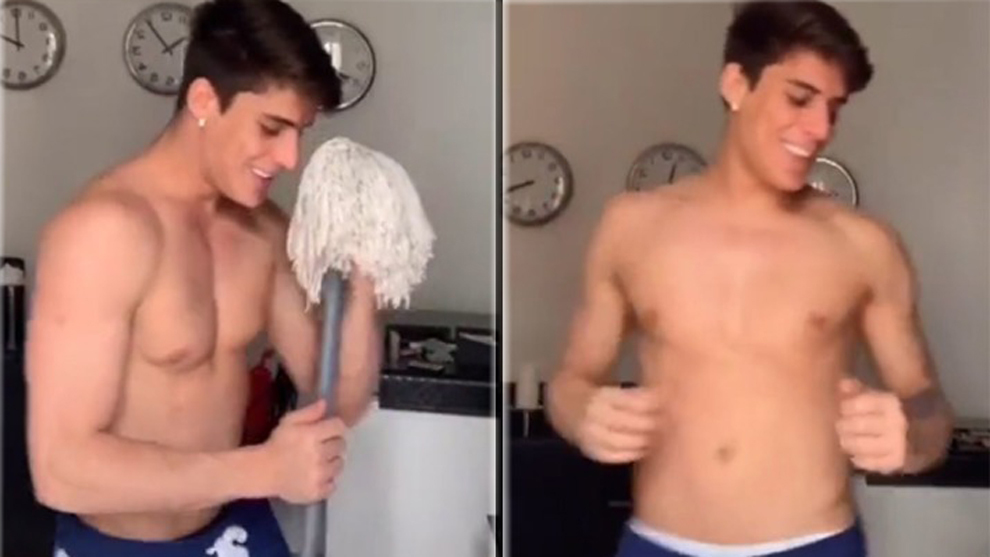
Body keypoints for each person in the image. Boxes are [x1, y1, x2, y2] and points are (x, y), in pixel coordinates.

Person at [545, 2, 955, 556]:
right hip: (659, 543)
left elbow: (930, 407)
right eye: (800, 99)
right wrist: (582, 416)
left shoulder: (864, 245)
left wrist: (912, 437)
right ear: (736, 84)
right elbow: (570, 382)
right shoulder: (631, 227)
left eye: (834, 109)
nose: (820, 130)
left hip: (813, 544)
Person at [25, 0, 381, 555]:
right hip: (118, 544)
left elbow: (340, 400)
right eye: (272, 128)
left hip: (234, 525)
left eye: (300, 132)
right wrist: (264, 470)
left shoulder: (264, 230)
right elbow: (59, 470)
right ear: (203, 101)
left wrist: (368, 276)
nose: (291, 158)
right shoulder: (104, 232)